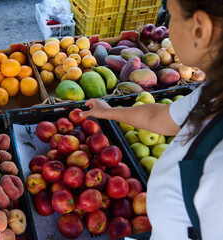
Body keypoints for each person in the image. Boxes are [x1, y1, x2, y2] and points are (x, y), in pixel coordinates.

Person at [80, 0, 223, 239]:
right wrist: (109, 112)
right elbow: (159, 117)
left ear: (200, 29)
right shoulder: (211, 93)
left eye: (171, 17)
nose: (167, 28)